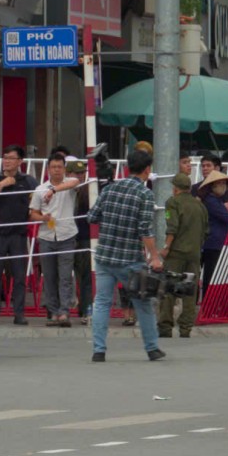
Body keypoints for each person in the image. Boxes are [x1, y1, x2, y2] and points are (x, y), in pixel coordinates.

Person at [87, 147, 164, 362]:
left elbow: (92, 217)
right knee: (143, 304)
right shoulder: (145, 194)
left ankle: (99, 350)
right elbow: (145, 230)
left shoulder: (110, 189)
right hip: (130, 259)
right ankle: (152, 348)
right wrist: (155, 256)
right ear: (147, 170)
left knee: (102, 302)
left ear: (129, 167)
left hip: (104, 256)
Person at [0, 145, 39, 325]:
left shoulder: (28, 180)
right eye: (5, 157)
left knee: (20, 276)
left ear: (20, 161)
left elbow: (40, 197)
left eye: (11, 158)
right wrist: (1, 185)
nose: (6, 161)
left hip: (18, 235)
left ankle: (19, 314)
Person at [28, 152, 82, 327]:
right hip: (46, 236)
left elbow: (76, 182)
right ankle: (52, 312)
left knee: (66, 276)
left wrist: (54, 190)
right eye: (53, 167)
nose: (56, 170)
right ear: (48, 169)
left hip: (67, 235)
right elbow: (32, 213)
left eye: (60, 167)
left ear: (64, 169)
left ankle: (64, 312)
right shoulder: (39, 189)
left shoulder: (69, 184)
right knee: (49, 276)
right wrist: (42, 218)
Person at [158, 172, 208, 338]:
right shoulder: (199, 205)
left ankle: (165, 327)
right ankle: (185, 327)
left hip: (176, 253)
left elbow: (172, 227)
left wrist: (166, 247)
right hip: (194, 254)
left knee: (169, 289)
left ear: (175, 188)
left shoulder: (173, 203)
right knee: (189, 291)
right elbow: (206, 231)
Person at [197, 169, 228, 295]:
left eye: (224, 183)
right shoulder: (211, 201)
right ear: (213, 186)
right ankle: (206, 305)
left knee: (215, 275)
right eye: (220, 183)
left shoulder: (216, 200)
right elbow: (226, 218)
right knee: (211, 276)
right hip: (212, 243)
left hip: (215, 242)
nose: (223, 186)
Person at [68, 160, 93, 324]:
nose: (80, 176)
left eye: (82, 173)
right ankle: (58, 309)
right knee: (62, 276)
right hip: (64, 237)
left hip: (84, 237)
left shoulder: (90, 190)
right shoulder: (61, 190)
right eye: (76, 173)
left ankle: (85, 310)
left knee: (86, 277)